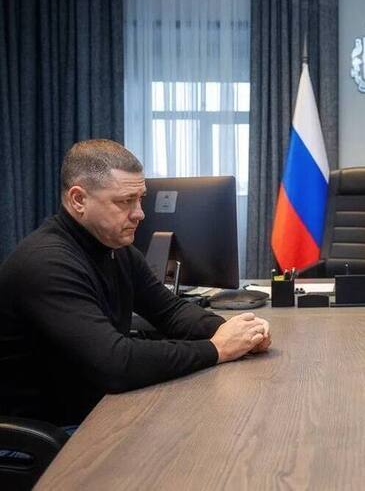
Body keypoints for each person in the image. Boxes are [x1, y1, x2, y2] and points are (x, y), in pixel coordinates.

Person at [0, 139, 272, 426]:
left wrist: (236, 332)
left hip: (98, 409)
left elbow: (170, 311)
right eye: (124, 201)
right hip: (50, 432)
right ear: (78, 200)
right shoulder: (47, 263)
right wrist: (217, 349)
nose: (140, 213)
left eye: (140, 198)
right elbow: (115, 364)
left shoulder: (114, 248)